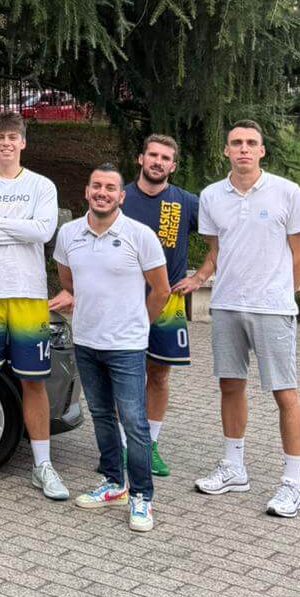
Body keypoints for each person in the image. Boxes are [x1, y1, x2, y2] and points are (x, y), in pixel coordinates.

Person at [177, 120, 300, 518]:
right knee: (230, 386)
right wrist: (200, 278)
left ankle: (292, 482)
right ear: (226, 150)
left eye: (251, 143)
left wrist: (281, 294)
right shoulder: (211, 196)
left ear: (262, 151)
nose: (243, 149)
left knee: (284, 393)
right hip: (226, 306)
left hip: (272, 309)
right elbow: (217, 250)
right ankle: (234, 468)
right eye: (236, 142)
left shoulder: (287, 192)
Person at [50, 165, 169, 533]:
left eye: (110, 188)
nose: (103, 192)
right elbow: (68, 280)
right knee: (101, 414)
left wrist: (139, 323)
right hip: (86, 340)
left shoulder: (140, 235)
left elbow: (161, 290)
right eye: (97, 186)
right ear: (87, 192)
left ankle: (142, 496)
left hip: (127, 346)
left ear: (121, 196)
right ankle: (114, 483)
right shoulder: (69, 233)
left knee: (133, 421)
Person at [0, 110, 68, 501]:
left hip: (29, 296)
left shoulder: (41, 185)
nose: (6, 143)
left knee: (33, 381)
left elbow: (44, 230)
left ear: (23, 142)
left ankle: (43, 465)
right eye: (0, 137)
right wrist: (20, 226)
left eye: (12, 137)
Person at [121, 134, 199, 477]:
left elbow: (225, 234)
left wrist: (201, 276)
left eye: (165, 158)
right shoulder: (120, 197)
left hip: (167, 301)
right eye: (153, 155)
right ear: (141, 158)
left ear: (173, 166)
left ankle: (149, 446)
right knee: (123, 374)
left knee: (159, 374)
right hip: (124, 299)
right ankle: (123, 446)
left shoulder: (186, 202)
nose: (158, 161)